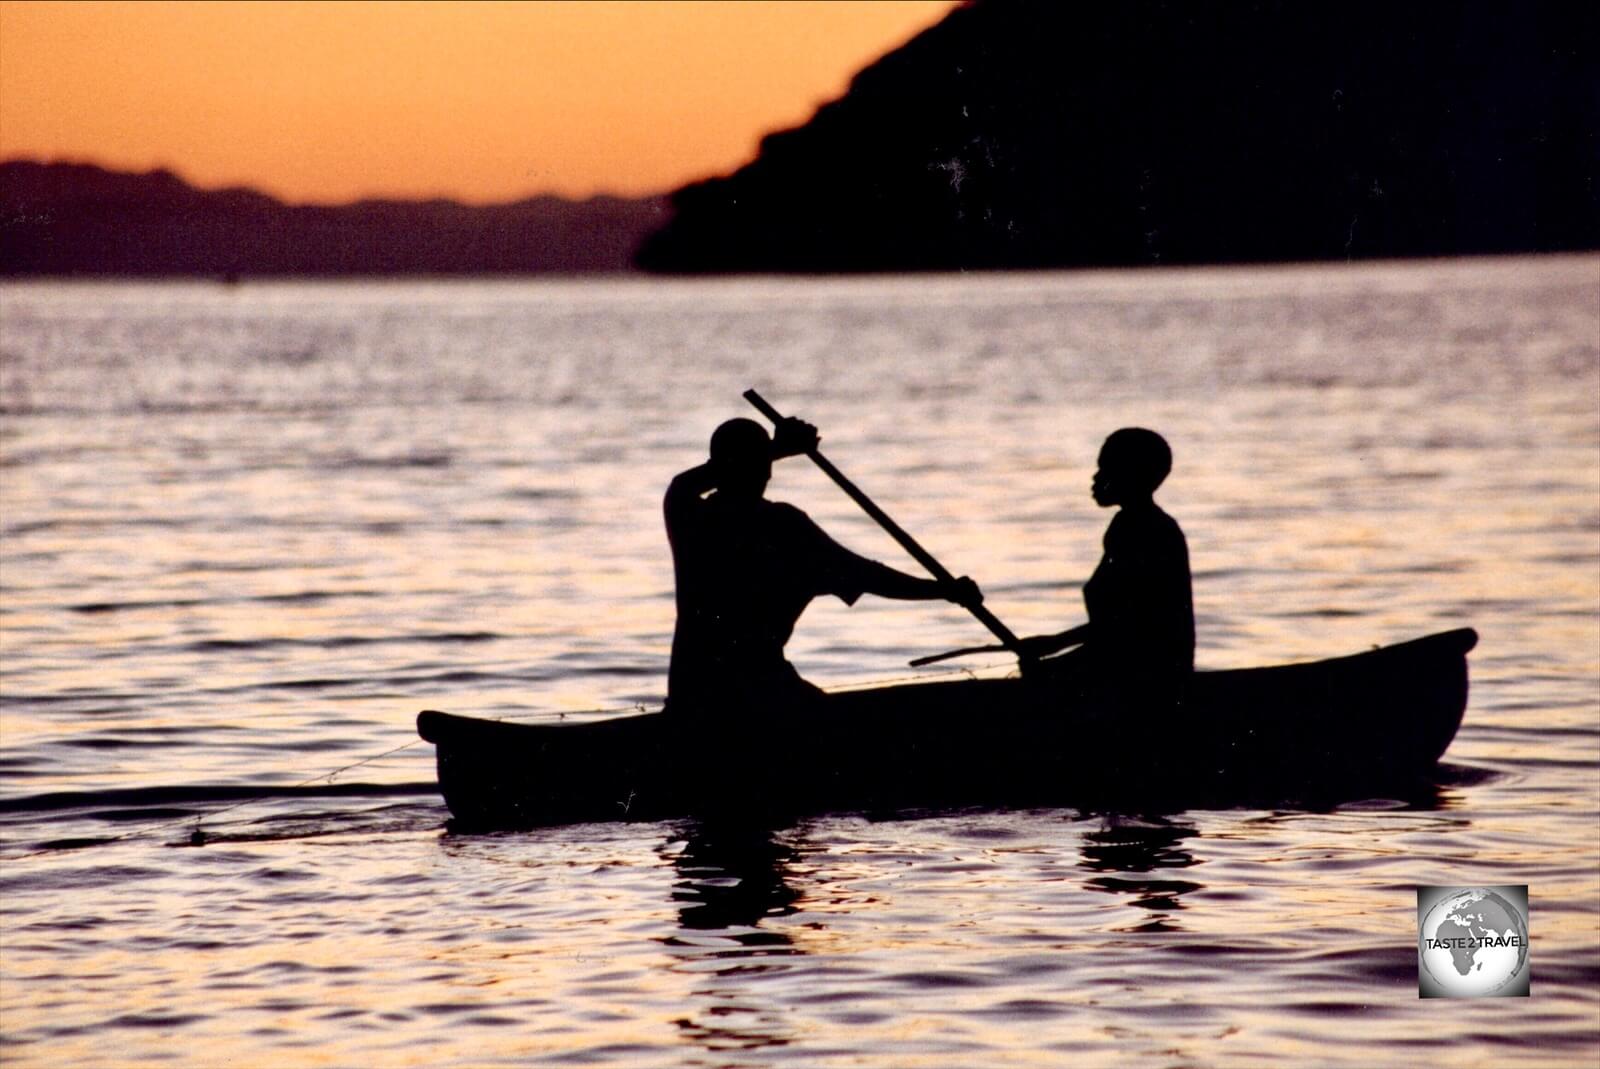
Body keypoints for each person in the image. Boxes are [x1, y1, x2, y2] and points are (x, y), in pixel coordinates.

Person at [665, 415, 980, 722]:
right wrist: (944, 591)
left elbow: (688, 481)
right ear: (768, 472)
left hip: (690, 697)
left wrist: (779, 448)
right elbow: (871, 576)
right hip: (758, 695)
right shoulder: (784, 528)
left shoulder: (686, 513)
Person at [1018, 428, 1194, 706]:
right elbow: (1116, 631)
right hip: (1133, 672)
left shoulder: (1147, 531)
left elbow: (1134, 632)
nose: (1095, 477)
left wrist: (1055, 653)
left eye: (1105, 469)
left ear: (1131, 475)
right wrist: (1055, 648)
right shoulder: (1128, 526)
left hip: (1147, 685)